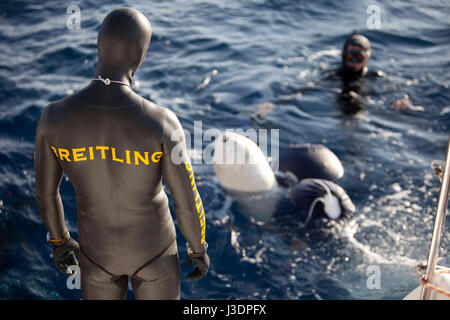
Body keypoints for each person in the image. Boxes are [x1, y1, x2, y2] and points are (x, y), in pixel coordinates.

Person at [34, 8, 209, 300]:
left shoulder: (52, 118)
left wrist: (60, 240)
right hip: (155, 253)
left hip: (97, 255)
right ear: (140, 56)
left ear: (99, 46)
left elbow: (45, 193)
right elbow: (187, 201)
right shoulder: (161, 122)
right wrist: (197, 248)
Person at [327, 32, 383, 114]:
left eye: (358, 57)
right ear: (344, 56)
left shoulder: (374, 76)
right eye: (350, 56)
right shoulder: (332, 76)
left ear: (366, 58)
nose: (354, 61)